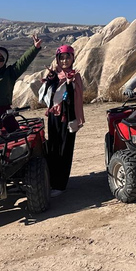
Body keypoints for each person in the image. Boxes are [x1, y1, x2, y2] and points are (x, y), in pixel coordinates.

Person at [40, 45, 85, 197]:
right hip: (54, 116)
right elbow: (47, 96)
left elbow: (75, 98)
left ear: (73, 58)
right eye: (62, 57)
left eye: (68, 57)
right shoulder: (54, 74)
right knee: (53, 146)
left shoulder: (76, 75)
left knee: (65, 148)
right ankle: (52, 181)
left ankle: (61, 184)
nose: (65, 60)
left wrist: (69, 83)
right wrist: (51, 79)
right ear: (57, 59)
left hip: (68, 116)